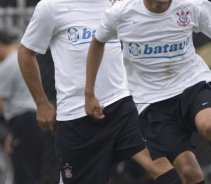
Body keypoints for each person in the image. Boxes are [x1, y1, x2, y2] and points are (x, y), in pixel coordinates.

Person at [85, 0, 211, 184]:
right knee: (189, 172)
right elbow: (97, 42)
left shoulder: (192, 6)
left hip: (191, 86)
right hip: (151, 102)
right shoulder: (121, 13)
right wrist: (89, 93)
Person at [17, 0, 181, 184]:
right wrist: (41, 103)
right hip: (76, 118)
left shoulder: (116, 4)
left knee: (166, 169)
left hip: (121, 105)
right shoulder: (51, 7)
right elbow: (25, 54)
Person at [0, 30, 44, 184]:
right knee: (33, 170)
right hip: (35, 118)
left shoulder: (7, 65)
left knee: (23, 173)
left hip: (22, 120)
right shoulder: (21, 60)